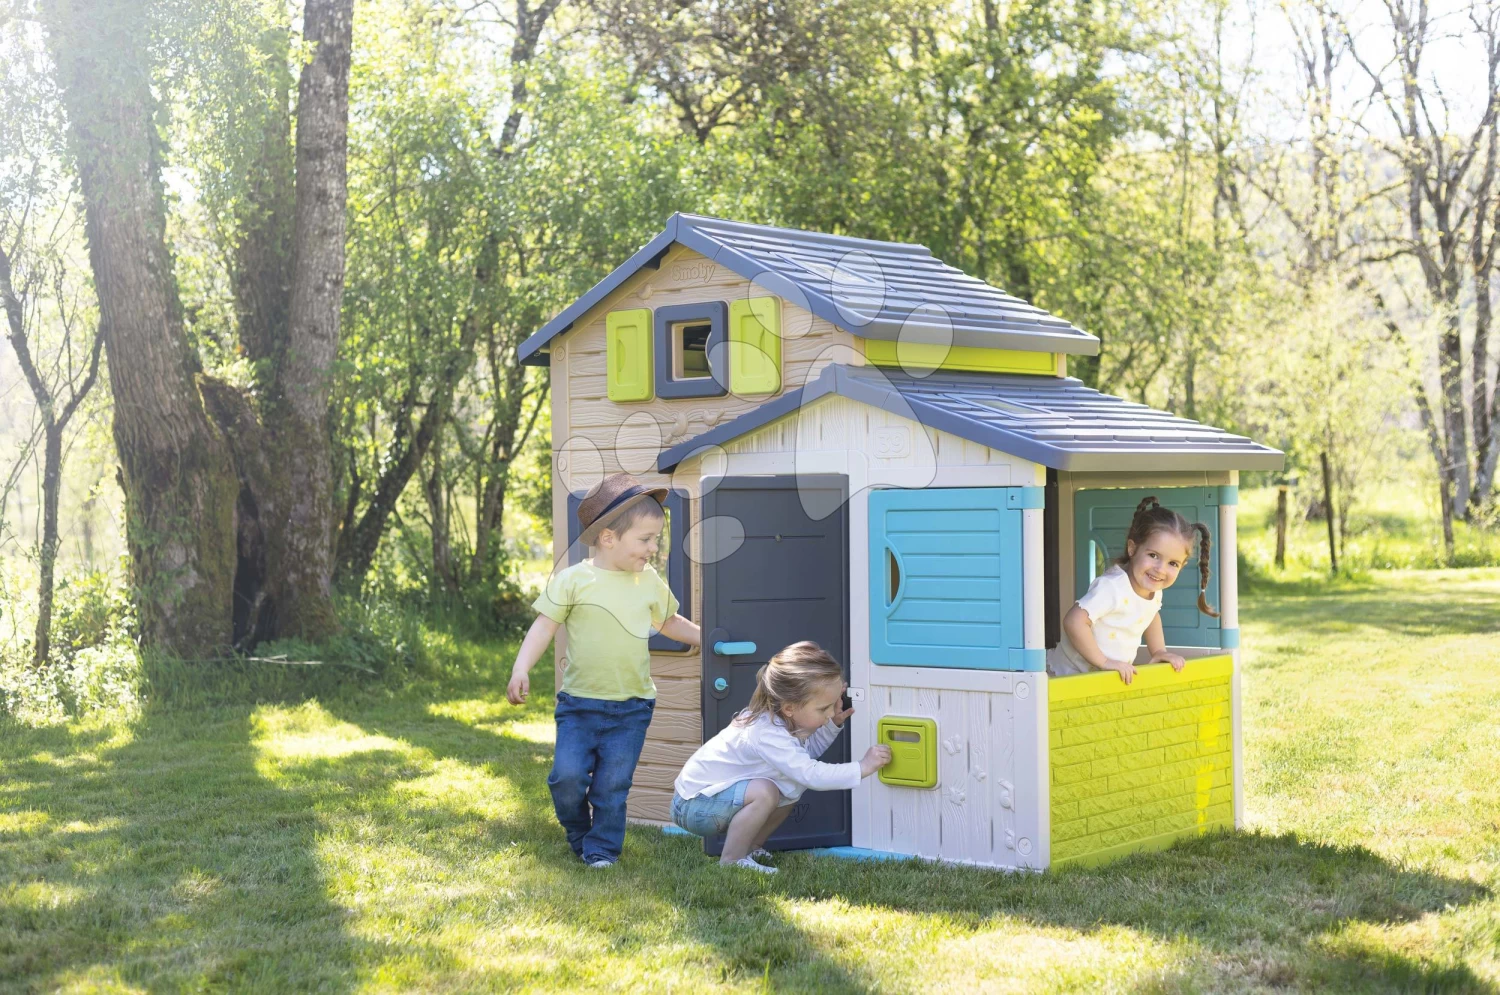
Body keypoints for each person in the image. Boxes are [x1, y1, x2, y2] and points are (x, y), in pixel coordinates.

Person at [507, 472, 701, 868]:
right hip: (579, 705)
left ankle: (602, 850)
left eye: (656, 540)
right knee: (566, 779)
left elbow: (670, 623)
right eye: (645, 540)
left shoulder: (647, 581)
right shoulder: (573, 580)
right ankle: (578, 832)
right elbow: (544, 626)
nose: (653, 548)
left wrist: (709, 637)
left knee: (612, 786)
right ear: (609, 537)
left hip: (631, 707)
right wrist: (521, 667)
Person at [671, 641, 892, 874]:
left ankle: (752, 848)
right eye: (823, 709)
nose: (830, 713)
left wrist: (832, 724)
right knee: (767, 790)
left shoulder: (784, 722)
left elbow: (802, 759)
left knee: (790, 785)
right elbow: (811, 774)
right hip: (692, 806)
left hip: (709, 800)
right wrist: (863, 767)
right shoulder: (766, 732)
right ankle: (732, 859)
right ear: (789, 708)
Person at [1047, 495, 1218, 684]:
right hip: (1069, 674)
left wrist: (1159, 651)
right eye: (1153, 555)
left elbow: (1151, 614)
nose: (1160, 569)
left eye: (1173, 563)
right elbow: (1074, 621)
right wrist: (1104, 662)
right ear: (1132, 548)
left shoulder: (1153, 590)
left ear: (1182, 565)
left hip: (1104, 676)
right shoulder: (1112, 587)